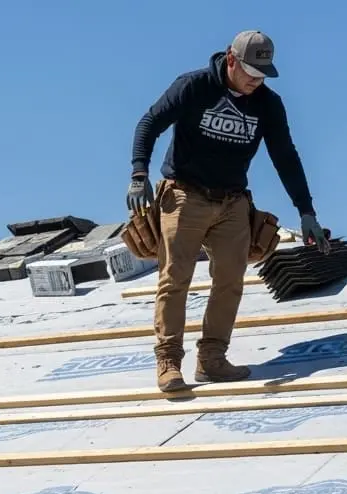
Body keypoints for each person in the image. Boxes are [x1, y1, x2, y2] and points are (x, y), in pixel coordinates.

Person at [128, 30, 329, 392]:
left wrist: (306, 210)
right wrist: (138, 173)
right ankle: (169, 361)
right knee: (175, 279)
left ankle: (213, 360)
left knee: (231, 282)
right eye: (251, 72)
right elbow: (149, 123)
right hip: (185, 195)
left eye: (263, 74)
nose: (256, 80)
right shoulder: (194, 86)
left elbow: (286, 156)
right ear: (231, 59)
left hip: (233, 201)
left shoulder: (268, 103)